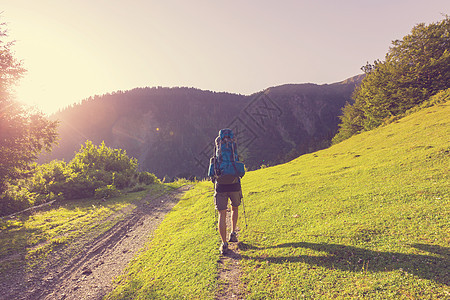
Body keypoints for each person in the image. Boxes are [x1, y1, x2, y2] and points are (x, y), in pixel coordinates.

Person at [213, 176, 242, 255]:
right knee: (235, 208)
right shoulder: (235, 162)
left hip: (220, 188)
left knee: (222, 214)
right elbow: (241, 171)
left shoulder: (216, 162)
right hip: (235, 187)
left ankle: (224, 244)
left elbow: (210, 173)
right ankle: (233, 233)